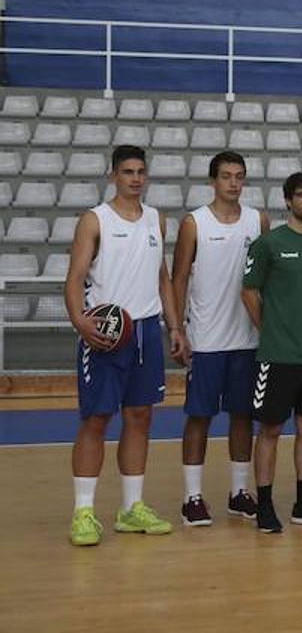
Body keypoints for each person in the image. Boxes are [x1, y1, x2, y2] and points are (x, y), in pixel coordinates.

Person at [65, 144, 179, 546]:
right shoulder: (94, 220)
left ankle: (131, 508)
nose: (136, 178)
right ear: (113, 175)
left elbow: (162, 277)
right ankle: (82, 512)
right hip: (106, 332)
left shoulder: (156, 220)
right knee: (96, 419)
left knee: (140, 417)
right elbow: (75, 277)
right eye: (128, 171)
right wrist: (80, 321)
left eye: (141, 172)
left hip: (147, 331)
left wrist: (173, 324)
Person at [171, 150, 268, 526]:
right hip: (207, 338)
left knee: (243, 415)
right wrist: (177, 328)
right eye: (226, 176)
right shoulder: (194, 222)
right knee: (200, 416)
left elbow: (266, 277)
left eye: (239, 176)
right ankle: (191, 497)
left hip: (247, 338)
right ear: (213, 180)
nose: (233, 182)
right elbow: (178, 278)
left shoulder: (258, 220)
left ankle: (238, 492)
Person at [242, 171, 302, 533]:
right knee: (269, 429)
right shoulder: (269, 243)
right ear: (287, 200)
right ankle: (265, 505)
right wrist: (270, 329)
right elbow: (249, 291)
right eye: (301, 195)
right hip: (278, 354)